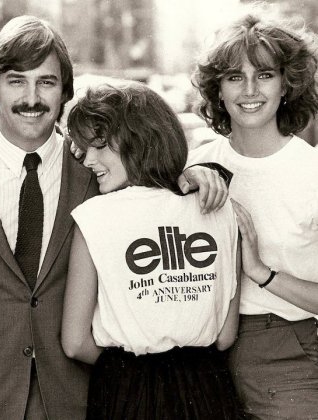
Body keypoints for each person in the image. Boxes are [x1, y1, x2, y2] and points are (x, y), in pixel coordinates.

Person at [0, 15, 229, 420]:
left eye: (46, 82)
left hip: (79, 401)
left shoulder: (100, 173)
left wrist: (195, 175)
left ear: (65, 90)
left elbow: (155, 185)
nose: (32, 98)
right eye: (16, 81)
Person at [61, 82, 241, 419]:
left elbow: (74, 342)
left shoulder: (94, 217)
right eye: (84, 149)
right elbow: (225, 336)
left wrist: (131, 371)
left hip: (127, 389)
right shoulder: (221, 210)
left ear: (139, 139)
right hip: (208, 389)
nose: (88, 160)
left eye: (99, 145)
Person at [189, 12, 318, 418]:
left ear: (286, 84)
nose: (249, 90)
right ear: (218, 89)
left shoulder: (312, 172)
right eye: (234, 77)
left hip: (285, 349)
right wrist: (182, 178)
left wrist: (261, 272)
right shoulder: (194, 165)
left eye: (264, 75)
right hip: (199, 347)